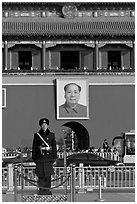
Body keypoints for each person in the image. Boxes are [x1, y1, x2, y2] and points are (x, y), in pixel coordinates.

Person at [32, 118, 57, 195]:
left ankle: (47, 190)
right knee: (41, 176)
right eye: (43, 124)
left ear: (48, 125)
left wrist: (54, 158)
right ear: (40, 125)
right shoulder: (37, 135)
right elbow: (34, 147)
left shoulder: (52, 135)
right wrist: (35, 158)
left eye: (45, 124)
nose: (44, 126)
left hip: (48, 159)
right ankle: (41, 191)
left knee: (48, 176)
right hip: (40, 159)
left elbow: (54, 147)